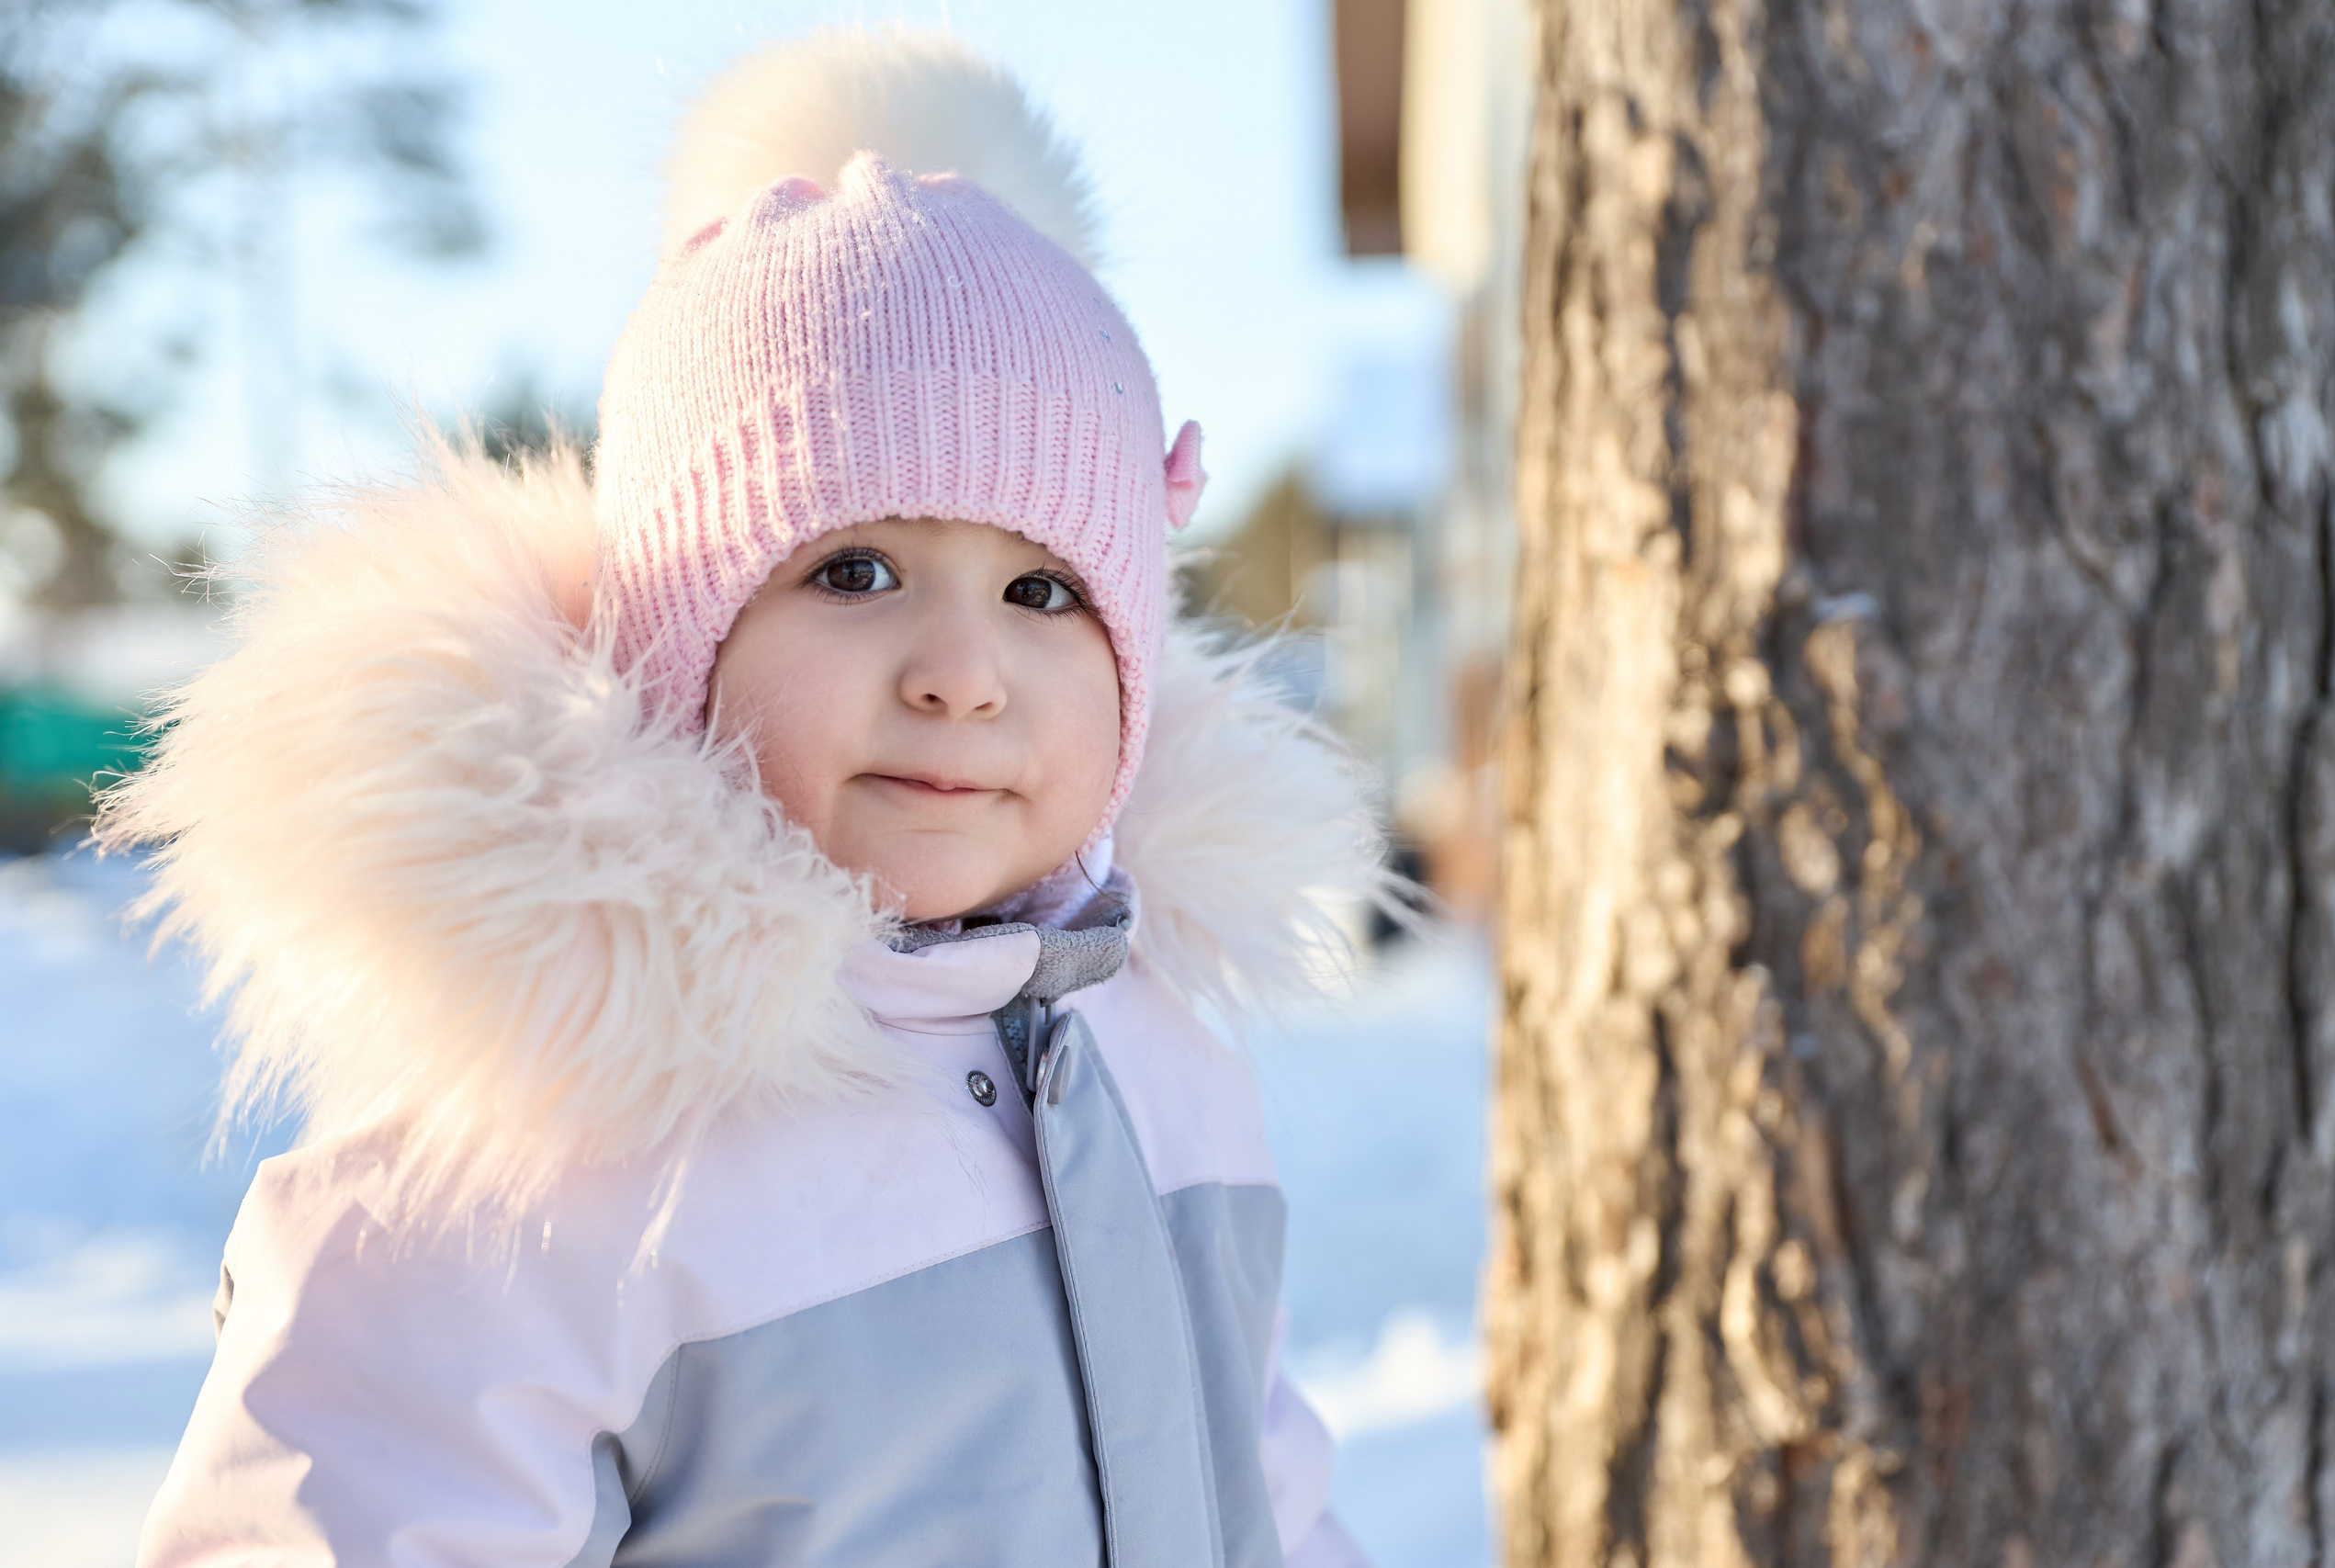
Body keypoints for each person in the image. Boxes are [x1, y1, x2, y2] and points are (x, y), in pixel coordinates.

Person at [98, 27, 1391, 1568]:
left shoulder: (1164, 1057)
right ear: (679, 636)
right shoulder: (535, 1146)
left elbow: (1268, 1492)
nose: (962, 675)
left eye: (1044, 592)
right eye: (857, 572)